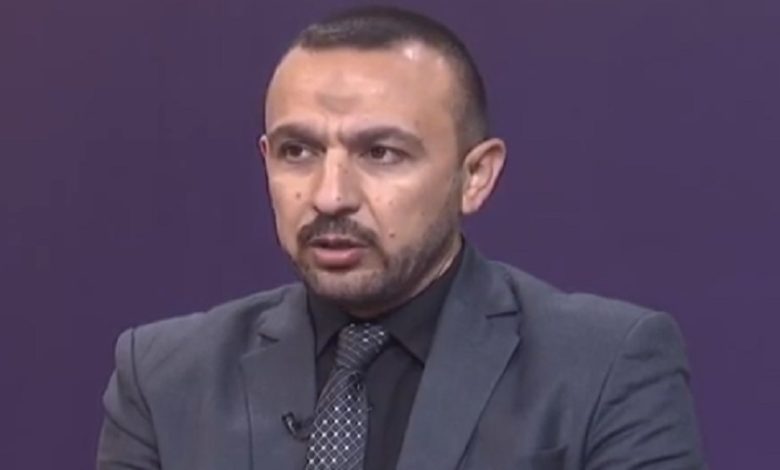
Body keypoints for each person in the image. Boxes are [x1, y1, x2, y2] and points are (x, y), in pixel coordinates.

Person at [97, 6, 704, 470]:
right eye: (298, 151)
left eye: (381, 152)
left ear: (475, 176)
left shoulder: (605, 366)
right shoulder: (162, 375)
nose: (330, 195)